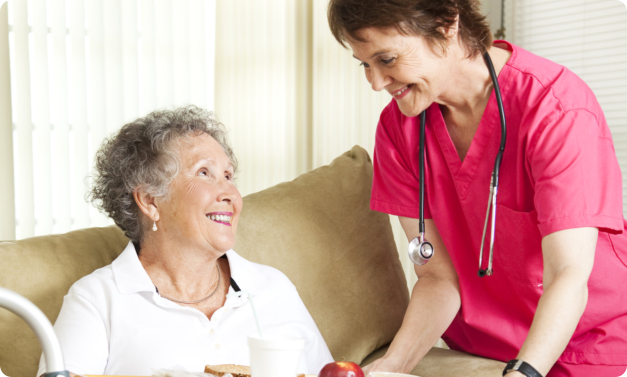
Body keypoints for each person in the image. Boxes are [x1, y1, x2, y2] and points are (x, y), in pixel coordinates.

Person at [327, 1, 627, 376]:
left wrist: (523, 372)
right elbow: (437, 277)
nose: (375, 83)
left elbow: (568, 273)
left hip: (585, 347)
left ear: (445, 23)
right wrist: (391, 367)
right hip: (479, 353)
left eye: (386, 59)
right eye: (364, 64)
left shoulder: (556, 110)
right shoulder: (397, 130)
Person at [36, 106, 333, 376]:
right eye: (205, 173)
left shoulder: (273, 287)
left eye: (229, 176)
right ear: (151, 200)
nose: (229, 193)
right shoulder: (97, 299)